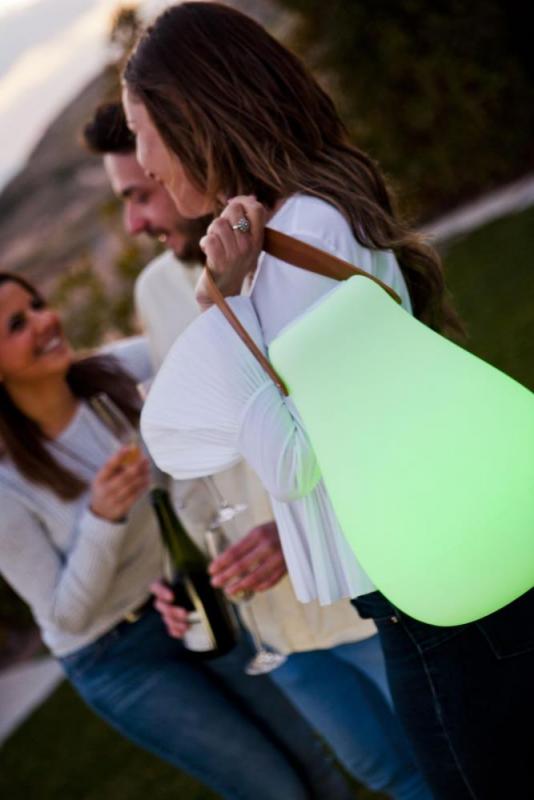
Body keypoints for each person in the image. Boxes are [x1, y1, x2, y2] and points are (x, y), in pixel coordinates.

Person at [122, 4, 534, 799]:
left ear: (192, 117)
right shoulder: (317, 209)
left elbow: (296, 460)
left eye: (142, 131)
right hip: (449, 560)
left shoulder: (294, 239)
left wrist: (221, 309)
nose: (143, 161)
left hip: (432, 600)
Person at [81, 100, 433, 800]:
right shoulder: (156, 289)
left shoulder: (290, 249)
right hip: (273, 627)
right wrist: (198, 574)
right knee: (384, 774)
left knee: (460, 758)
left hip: (356, 588)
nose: (135, 223)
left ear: (186, 161)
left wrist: (288, 530)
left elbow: (353, 412)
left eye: (143, 192)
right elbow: (191, 461)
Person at [0, 270, 374, 800]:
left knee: (312, 758)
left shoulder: (121, 375)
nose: (45, 322)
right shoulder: (7, 483)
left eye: (37, 304)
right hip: (114, 655)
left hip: (185, 600)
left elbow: (203, 355)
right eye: (17, 325)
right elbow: (65, 616)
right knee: (273, 787)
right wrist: (103, 520)